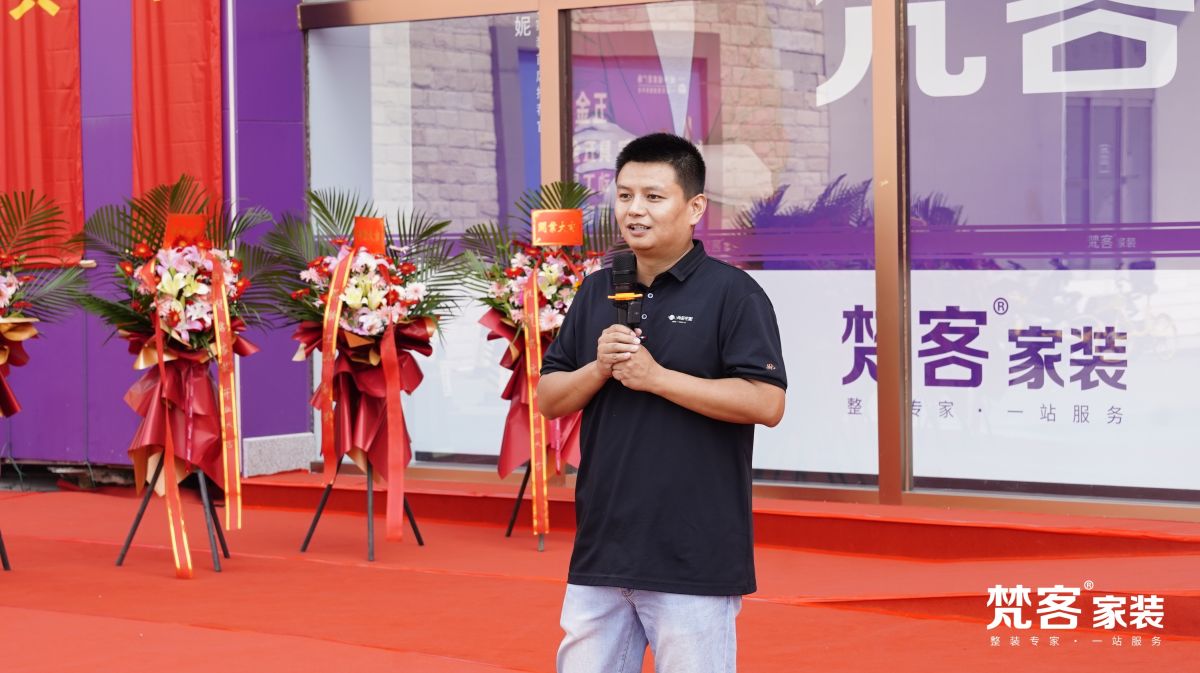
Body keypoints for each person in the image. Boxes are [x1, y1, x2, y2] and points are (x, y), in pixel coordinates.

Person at [539, 133, 787, 673]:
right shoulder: (596, 290)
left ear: (694, 207)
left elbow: (767, 402)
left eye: (654, 196)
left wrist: (657, 378)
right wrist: (598, 368)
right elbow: (549, 399)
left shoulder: (733, 294)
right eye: (625, 195)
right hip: (602, 547)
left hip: (693, 553)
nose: (635, 210)